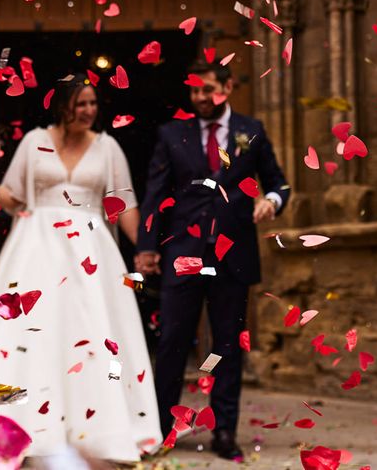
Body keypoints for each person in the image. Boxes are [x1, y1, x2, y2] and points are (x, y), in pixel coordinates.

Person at [0, 75, 162, 463]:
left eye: (93, 104)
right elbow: (13, 198)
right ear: (62, 106)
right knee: (29, 332)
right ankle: (7, 424)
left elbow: (122, 205)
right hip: (36, 246)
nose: (88, 111)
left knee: (92, 331)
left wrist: (145, 247)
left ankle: (101, 427)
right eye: (80, 104)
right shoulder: (34, 142)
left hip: (91, 250)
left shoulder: (109, 147)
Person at [134, 62, 290, 460]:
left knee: (226, 347)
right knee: (171, 343)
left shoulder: (250, 131)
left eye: (208, 90)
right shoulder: (172, 134)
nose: (201, 98)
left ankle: (224, 432)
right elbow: (155, 193)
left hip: (232, 257)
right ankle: (161, 428)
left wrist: (271, 202)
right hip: (182, 254)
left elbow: (279, 183)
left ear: (228, 86)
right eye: (195, 92)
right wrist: (147, 246)